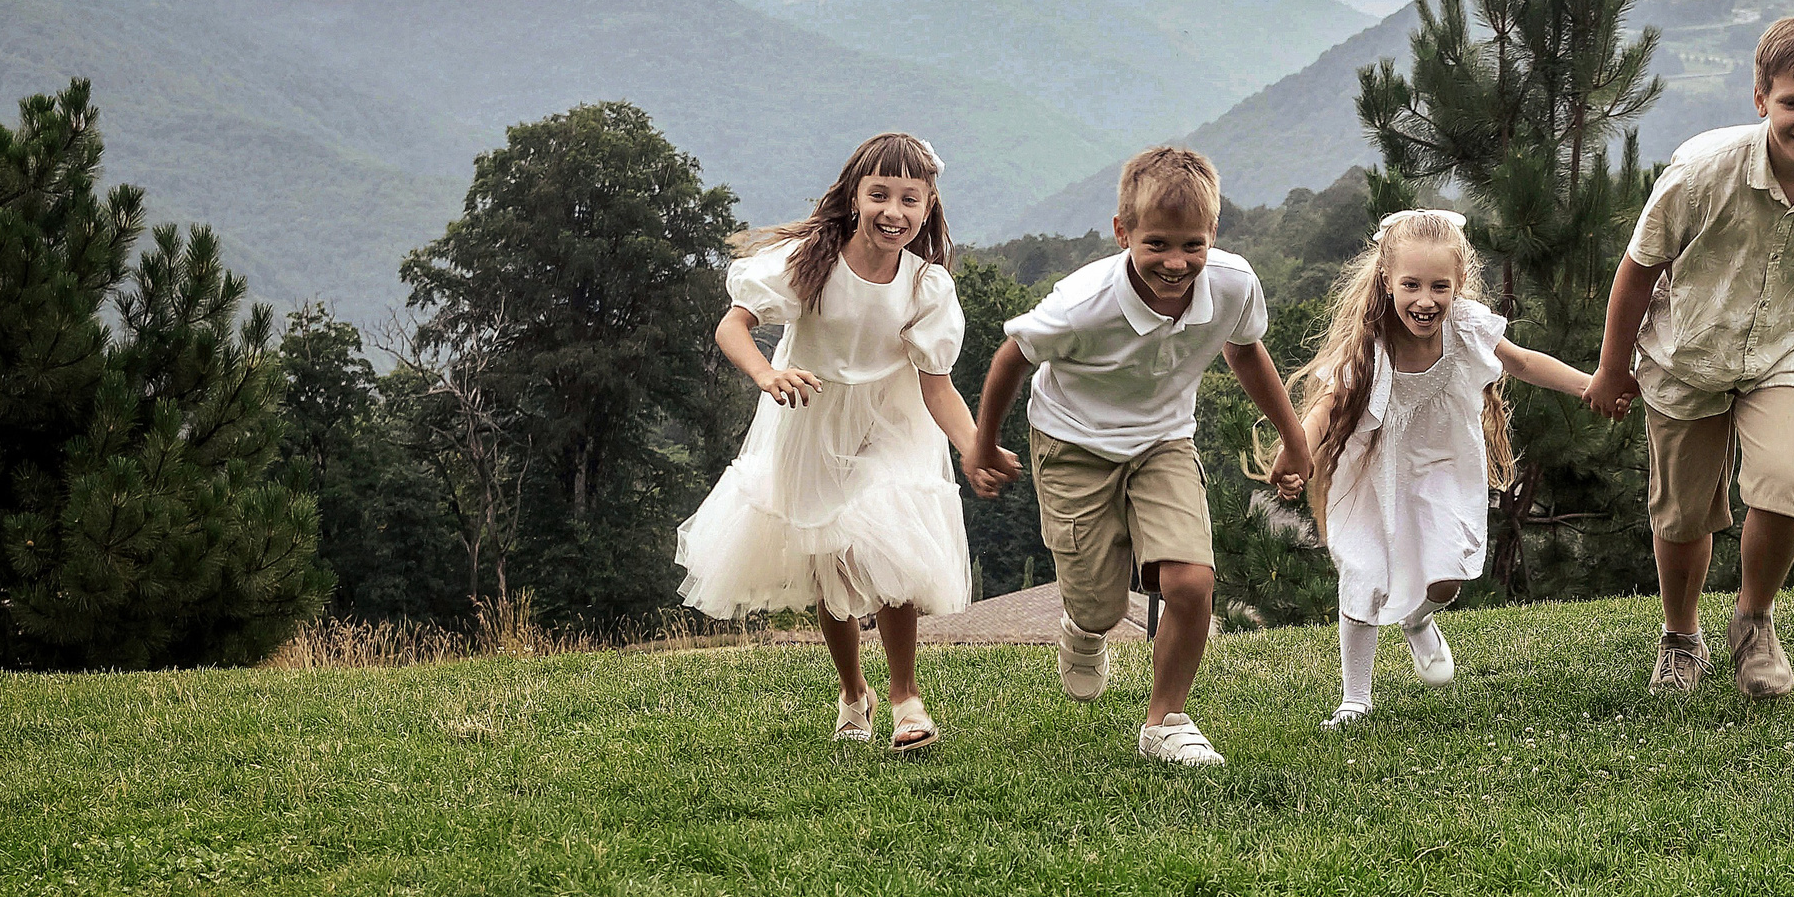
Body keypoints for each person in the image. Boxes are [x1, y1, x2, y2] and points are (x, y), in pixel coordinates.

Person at [968, 146, 1313, 768]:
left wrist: (1292, 437)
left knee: (1191, 582)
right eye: (1156, 244)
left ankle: (1166, 722)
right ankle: (1083, 626)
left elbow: (1246, 351)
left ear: (1213, 235)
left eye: (1192, 245)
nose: (1175, 263)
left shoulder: (1234, 284)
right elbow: (1011, 357)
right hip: (1074, 443)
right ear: (1123, 233)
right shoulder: (1081, 303)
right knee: (1100, 605)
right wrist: (984, 441)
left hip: (1164, 441)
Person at [1584, 16, 1794, 700]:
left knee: (1784, 484)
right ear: (1761, 99)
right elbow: (1637, 272)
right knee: (1684, 514)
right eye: (1792, 101)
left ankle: (1754, 623)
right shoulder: (1700, 172)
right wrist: (1611, 367)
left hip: (1787, 353)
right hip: (1685, 352)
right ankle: (1681, 636)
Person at [676, 132, 1006, 752]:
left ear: (928, 205)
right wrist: (766, 373)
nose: (893, 211)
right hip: (810, 418)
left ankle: (907, 698)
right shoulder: (810, 262)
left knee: (889, 547)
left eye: (910, 199)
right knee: (834, 559)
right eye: (879, 194)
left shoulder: (925, 286)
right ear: (855, 196)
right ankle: (855, 691)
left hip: (892, 423)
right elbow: (734, 326)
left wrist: (973, 447)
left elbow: (938, 387)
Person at [1284, 208, 1594, 729]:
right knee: (1365, 571)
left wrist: (1589, 384)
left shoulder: (1467, 328)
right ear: (1387, 280)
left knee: (1447, 578)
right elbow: (1328, 406)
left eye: (1439, 287)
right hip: (1375, 472)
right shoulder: (1371, 340)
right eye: (1410, 285)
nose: (1424, 301)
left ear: (1458, 284)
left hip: (1443, 466)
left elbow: (1521, 362)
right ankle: (1355, 698)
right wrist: (1298, 452)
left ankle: (1417, 619)